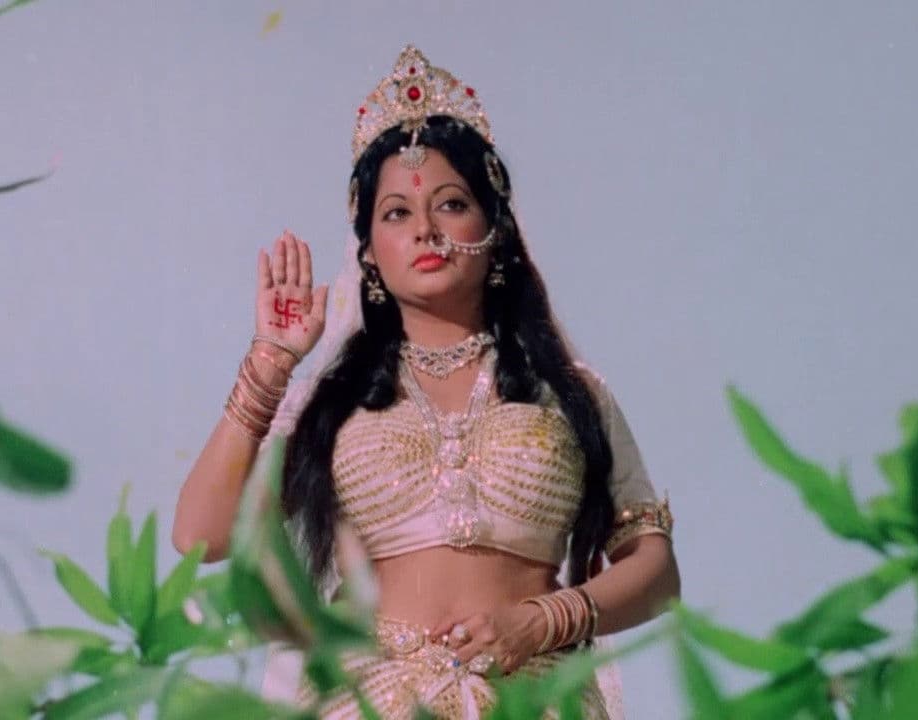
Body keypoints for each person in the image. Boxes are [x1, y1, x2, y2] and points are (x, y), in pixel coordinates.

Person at [173, 45, 679, 720]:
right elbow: (200, 537)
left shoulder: (569, 394)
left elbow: (656, 573)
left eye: (451, 204)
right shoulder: (337, 405)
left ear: (495, 231)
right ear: (368, 254)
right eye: (397, 214)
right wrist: (270, 362)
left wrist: (545, 620)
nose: (426, 231)